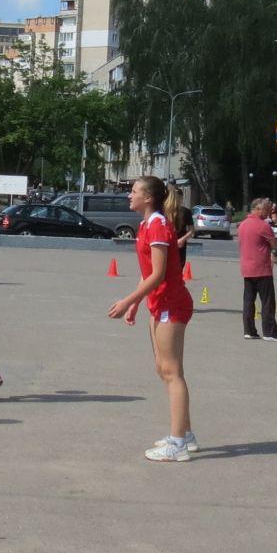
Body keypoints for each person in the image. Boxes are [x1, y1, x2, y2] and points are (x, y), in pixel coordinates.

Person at [109, 175, 197, 462]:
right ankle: (185, 433)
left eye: (133, 191)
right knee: (164, 370)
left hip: (172, 303)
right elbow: (148, 272)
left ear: (148, 198)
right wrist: (137, 302)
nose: (129, 196)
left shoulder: (158, 224)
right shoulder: (147, 224)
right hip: (158, 303)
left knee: (172, 373)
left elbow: (159, 274)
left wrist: (127, 301)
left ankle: (178, 443)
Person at [236, 198, 277, 342]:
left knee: (248, 301)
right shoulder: (263, 226)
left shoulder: (242, 225)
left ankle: (249, 330)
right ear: (257, 209)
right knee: (267, 302)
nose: (269, 211)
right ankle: (269, 332)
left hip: (247, 267)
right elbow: (275, 245)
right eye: (266, 209)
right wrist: (272, 244)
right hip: (262, 268)